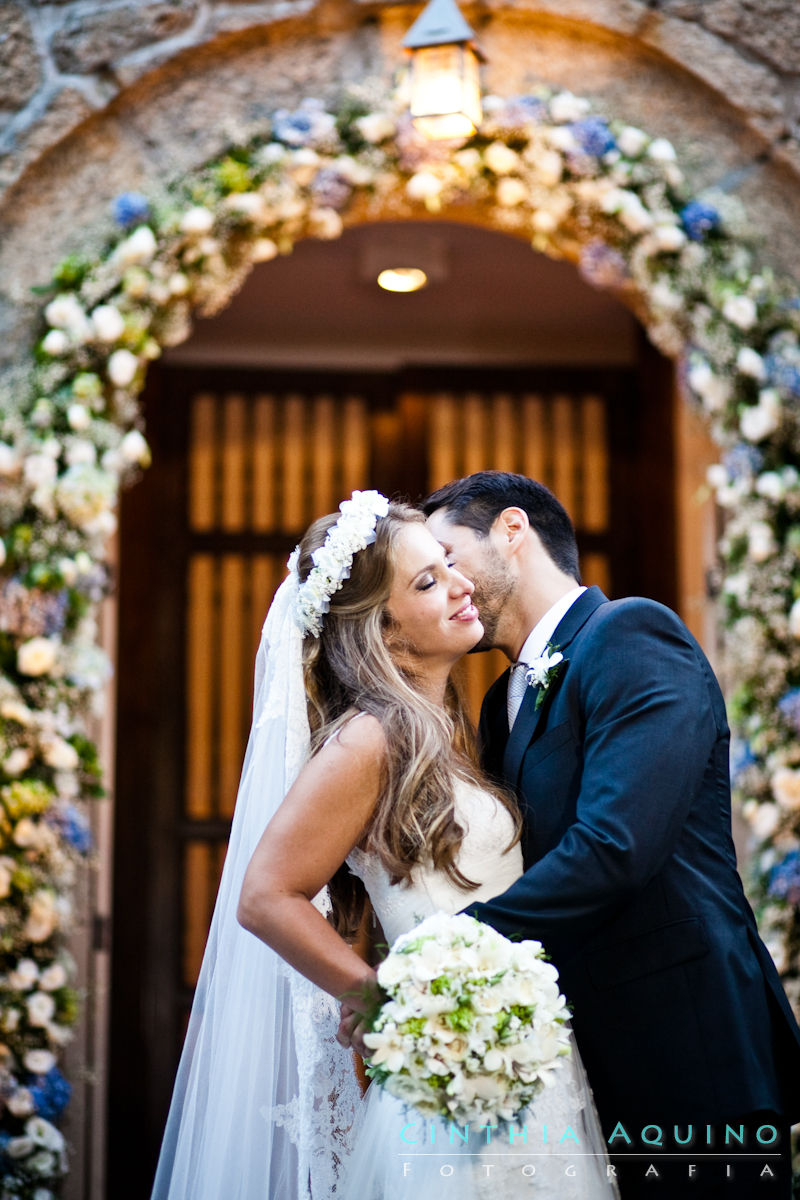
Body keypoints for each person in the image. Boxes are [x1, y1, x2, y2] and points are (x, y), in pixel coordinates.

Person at [151, 490, 617, 1200]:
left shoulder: (448, 729)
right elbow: (265, 895)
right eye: (427, 582)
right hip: (449, 1079)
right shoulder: (371, 738)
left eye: (449, 565)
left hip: (519, 1064)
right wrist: (381, 1001)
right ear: (383, 629)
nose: (461, 585)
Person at [406, 469, 800, 1199]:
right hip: (583, 1068)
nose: (447, 584)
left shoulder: (632, 635)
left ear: (512, 531)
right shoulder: (500, 705)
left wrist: (446, 951)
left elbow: (615, 847)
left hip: (689, 1055)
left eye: (447, 556)